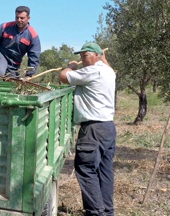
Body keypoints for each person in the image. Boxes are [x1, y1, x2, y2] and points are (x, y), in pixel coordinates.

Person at [59, 42, 116, 216]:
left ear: (96, 56)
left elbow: (63, 77)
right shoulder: (109, 71)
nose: (82, 59)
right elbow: (108, 67)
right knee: (104, 171)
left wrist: (70, 66)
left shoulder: (92, 71)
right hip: (108, 128)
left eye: (85, 56)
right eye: (81, 56)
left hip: (93, 129)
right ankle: (107, 211)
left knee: (85, 168)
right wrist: (104, 60)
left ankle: (96, 212)